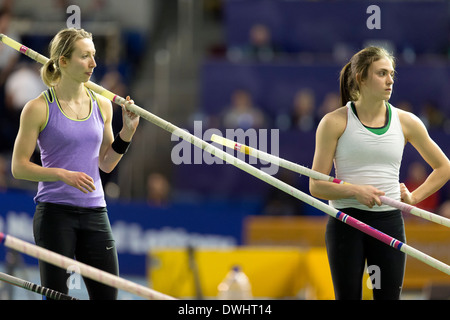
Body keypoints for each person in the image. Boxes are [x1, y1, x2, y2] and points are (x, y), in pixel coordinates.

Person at [309, 46, 450, 300]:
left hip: (388, 222)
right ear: (361, 77)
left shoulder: (406, 121)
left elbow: (444, 167)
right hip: (345, 221)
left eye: (392, 73)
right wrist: (354, 190)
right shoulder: (334, 122)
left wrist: (414, 199)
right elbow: (316, 186)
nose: (390, 80)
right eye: (382, 73)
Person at [11, 28, 140, 299]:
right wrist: (62, 175)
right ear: (63, 61)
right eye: (85, 56)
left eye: (94, 56)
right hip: (55, 214)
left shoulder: (103, 105)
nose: (93, 63)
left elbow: (106, 164)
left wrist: (126, 133)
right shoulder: (38, 108)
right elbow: (19, 167)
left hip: (95, 212)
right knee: (58, 296)